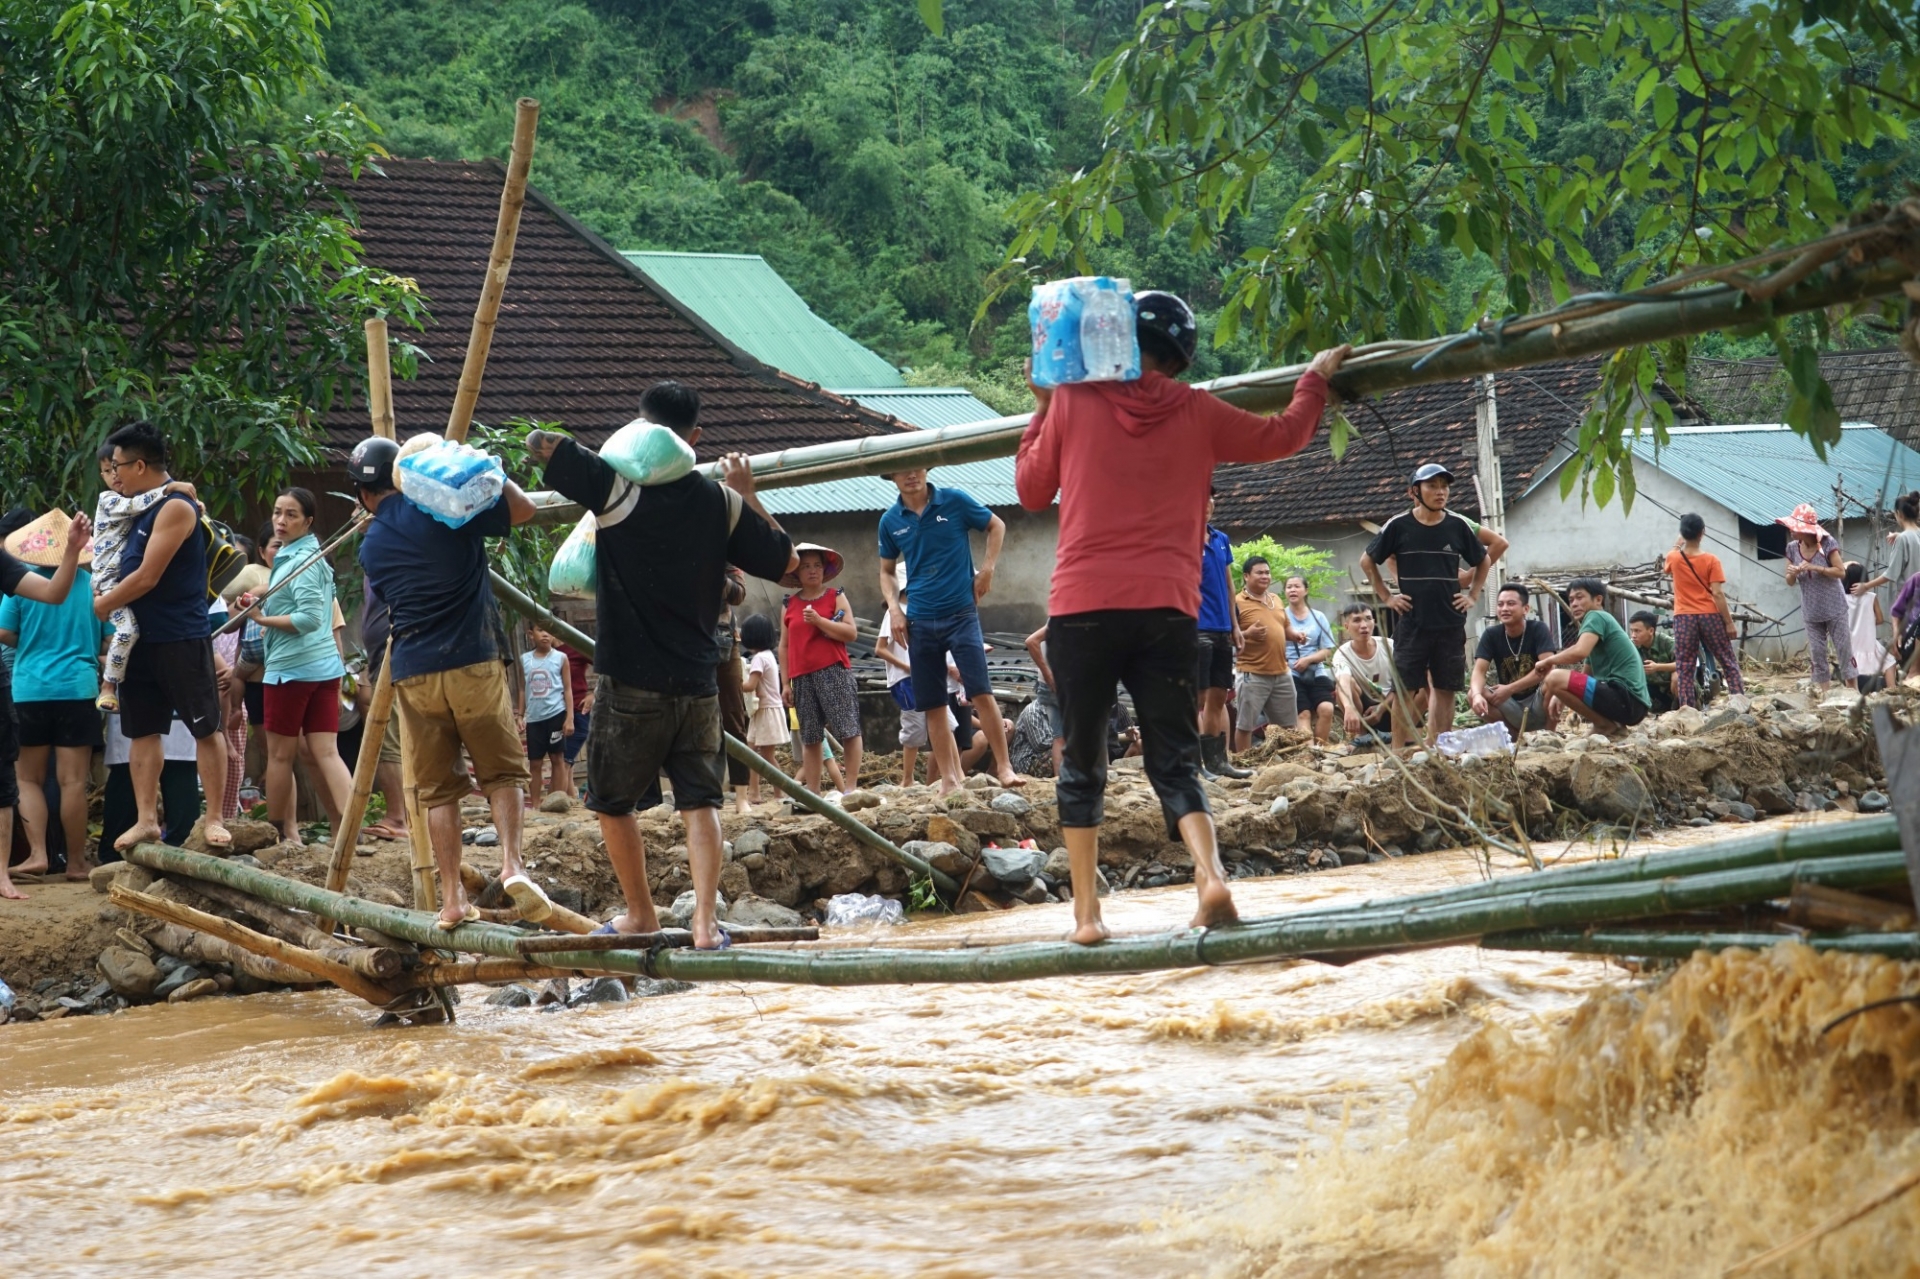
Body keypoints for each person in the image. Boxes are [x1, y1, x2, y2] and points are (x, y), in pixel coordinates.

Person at [1016, 283, 1350, 943]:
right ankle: (1210, 878)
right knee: (1174, 758)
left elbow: (1030, 490)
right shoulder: (1198, 411)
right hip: (1168, 612)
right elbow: (1285, 433)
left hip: (1082, 609)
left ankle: (1086, 917)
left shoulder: (1075, 399)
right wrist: (1314, 378)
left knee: (1083, 760)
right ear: (1182, 355)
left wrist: (1041, 406)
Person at [530, 381, 795, 949]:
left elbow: (542, 444)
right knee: (700, 802)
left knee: (610, 801)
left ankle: (641, 914)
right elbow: (785, 560)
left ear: (637, 429)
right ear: (696, 439)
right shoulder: (721, 500)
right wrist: (748, 492)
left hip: (630, 679)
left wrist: (612, 453)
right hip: (699, 679)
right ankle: (704, 923)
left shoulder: (616, 489)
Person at [351, 434, 551, 931]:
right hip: (472, 663)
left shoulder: (371, 545)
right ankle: (511, 865)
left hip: (414, 673)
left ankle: (451, 899)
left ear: (362, 495)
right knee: (502, 773)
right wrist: (479, 469)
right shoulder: (450, 509)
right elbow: (523, 511)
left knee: (439, 790)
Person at [90, 423, 231, 852]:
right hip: (139, 638)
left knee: (205, 727)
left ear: (138, 465)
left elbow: (148, 576)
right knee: (142, 731)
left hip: (180, 634)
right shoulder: (135, 505)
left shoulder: (175, 508)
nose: (114, 477)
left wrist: (102, 604)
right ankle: (147, 820)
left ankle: (214, 818)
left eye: (118, 467)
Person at [876, 467, 1021, 792]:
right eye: (902, 471)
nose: (910, 476)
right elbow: (886, 571)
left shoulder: (954, 501)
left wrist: (987, 570)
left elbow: (996, 525)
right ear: (892, 478)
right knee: (933, 704)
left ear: (926, 470)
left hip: (960, 613)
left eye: (916, 468)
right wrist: (896, 610)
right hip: (921, 619)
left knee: (981, 691)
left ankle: (1005, 767)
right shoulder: (890, 521)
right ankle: (950, 780)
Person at [239, 487, 355, 852]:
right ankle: (351, 829)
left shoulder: (300, 561)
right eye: (277, 513)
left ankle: (280, 834)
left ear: (308, 521)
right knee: (326, 753)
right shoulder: (305, 556)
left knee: (279, 755)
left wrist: (262, 618)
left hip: (292, 671)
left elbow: (306, 618)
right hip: (323, 670)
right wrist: (262, 596)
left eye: (291, 515)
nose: (281, 521)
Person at [0, 511, 108, 883]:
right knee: (73, 781)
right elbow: (107, 638)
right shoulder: (92, 585)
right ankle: (77, 862)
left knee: (28, 778)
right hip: (78, 687)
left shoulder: (21, 585)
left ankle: (39, 855)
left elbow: (4, 632)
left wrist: (29, 642)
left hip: (30, 688)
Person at [1360, 463, 1488, 751]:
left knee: (1445, 688)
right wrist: (1386, 597)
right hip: (1412, 622)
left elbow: (1484, 560)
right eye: (1432, 486)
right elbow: (1367, 561)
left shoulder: (1458, 525)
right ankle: (1396, 752)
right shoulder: (1398, 525)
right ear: (1414, 491)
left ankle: (1442, 748)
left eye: (1444, 486)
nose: (1440, 492)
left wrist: (1474, 595)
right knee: (1404, 689)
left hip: (1450, 622)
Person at [88, 441, 177, 713]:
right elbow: (139, 504)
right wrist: (172, 488)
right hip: (108, 582)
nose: (114, 475)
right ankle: (108, 686)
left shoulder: (134, 503)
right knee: (127, 630)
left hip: (118, 581)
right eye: (107, 470)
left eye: (117, 468)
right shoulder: (111, 500)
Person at [780, 543, 863, 797]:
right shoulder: (789, 604)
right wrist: (785, 683)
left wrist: (820, 621)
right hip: (802, 677)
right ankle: (813, 791)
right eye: (805, 566)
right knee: (811, 736)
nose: (812, 571)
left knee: (848, 729)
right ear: (797, 572)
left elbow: (851, 632)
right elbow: (784, 646)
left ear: (824, 569)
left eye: (817, 565)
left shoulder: (834, 596)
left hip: (833, 671)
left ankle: (850, 787)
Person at [1536, 579, 1653, 736]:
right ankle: (1610, 726)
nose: (1574, 604)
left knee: (1554, 677)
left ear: (1598, 600)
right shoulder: (1597, 631)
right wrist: (1560, 696)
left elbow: (1579, 651)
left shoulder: (1596, 616)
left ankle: (1604, 725)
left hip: (1626, 698)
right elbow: (1584, 675)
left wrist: (1549, 661)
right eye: (1571, 600)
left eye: (1580, 597)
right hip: (1633, 706)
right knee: (1557, 681)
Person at [1662, 512, 1745, 708]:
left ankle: (1688, 710)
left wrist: (1677, 543)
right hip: (1709, 615)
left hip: (1684, 618)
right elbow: (1717, 593)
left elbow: (1667, 564)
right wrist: (1729, 622)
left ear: (1682, 534)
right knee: (1727, 660)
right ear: (1703, 533)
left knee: (1685, 666)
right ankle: (1740, 704)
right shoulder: (1712, 560)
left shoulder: (1673, 557)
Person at [352, 579, 411, 843]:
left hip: (397, 660)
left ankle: (398, 817)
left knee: (390, 741)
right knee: (394, 738)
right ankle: (403, 815)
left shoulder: (390, 546)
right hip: (383, 660)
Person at [1194, 490, 1247, 777]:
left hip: (1222, 630)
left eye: (1211, 500)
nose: (1206, 504)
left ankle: (1216, 762)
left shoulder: (1221, 539)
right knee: (1196, 698)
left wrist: (1235, 626)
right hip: (1195, 629)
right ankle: (1192, 765)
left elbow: (1229, 587)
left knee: (1218, 696)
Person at [1778, 502, 1856, 695]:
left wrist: (1815, 568)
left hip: (1834, 605)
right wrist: (1793, 572)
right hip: (1811, 609)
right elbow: (1788, 581)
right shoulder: (1792, 548)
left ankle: (1852, 691)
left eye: (1795, 528)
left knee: (1843, 648)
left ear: (1805, 530)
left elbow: (1841, 572)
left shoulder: (1828, 544)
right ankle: (1825, 693)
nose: (1791, 531)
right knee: (1818, 652)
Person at [1230, 556, 1305, 753]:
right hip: (1252, 673)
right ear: (1246, 576)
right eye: (1260, 573)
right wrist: (1248, 634)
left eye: (1267, 572)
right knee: (1245, 725)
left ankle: (1291, 762)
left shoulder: (1276, 599)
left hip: (1282, 672)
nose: (1265, 576)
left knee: (1289, 726)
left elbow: (1285, 628)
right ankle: (1242, 762)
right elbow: (1227, 637)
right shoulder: (1236, 602)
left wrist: (1296, 636)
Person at [1469, 584, 1557, 738]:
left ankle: (1549, 736)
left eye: (1511, 604)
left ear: (1526, 608)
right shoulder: (1491, 635)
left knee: (1554, 680)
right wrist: (1477, 695)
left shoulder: (1538, 629)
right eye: (1500, 604)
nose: (1504, 609)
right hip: (1510, 706)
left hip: (1538, 701)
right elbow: (1479, 671)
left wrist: (1509, 689)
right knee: (1473, 693)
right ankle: (1514, 736)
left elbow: (1548, 668)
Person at [518, 625, 574, 808]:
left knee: (558, 758)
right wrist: (520, 715)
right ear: (530, 634)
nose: (545, 634)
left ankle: (556, 801)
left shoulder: (560, 658)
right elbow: (521, 688)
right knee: (535, 762)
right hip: (534, 718)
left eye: (549, 631)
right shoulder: (525, 660)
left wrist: (569, 717)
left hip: (555, 714)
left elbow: (567, 689)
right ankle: (535, 805)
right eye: (540, 630)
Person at [1332, 602, 1400, 745]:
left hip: (1393, 705)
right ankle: (1361, 735)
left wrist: (1382, 708)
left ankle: (1405, 736)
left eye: (1368, 618)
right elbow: (1343, 680)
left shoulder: (1390, 646)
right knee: (1343, 687)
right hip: (1364, 712)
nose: (1364, 625)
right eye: (1357, 620)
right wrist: (1349, 707)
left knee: (1421, 679)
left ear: (1374, 622)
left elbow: (1404, 682)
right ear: (1346, 626)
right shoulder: (1342, 653)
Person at [1283, 574, 1338, 744]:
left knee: (1327, 708)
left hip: (1315, 671)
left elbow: (1327, 650)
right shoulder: (1280, 615)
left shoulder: (1318, 616)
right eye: (1289, 587)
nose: (1292, 590)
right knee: (1303, 713)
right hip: (1289, 672)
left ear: (1306, 591)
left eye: (1297, 586)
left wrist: (1309, 660)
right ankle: (1309, 754)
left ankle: (1321, 750)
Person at [740, 613, 787, 803]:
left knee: (766, 756)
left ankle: (778, 792)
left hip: (766, 711)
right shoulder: (768, 656)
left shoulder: (759, 659)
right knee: (752, 753)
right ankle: (754, 792)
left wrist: (733, 680)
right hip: (764, 711)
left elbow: (750, 685)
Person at [1853, 489, 1920, 604]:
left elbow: (1891, 574)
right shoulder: (1912, 535)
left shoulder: (1902, 539)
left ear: (1899, 514)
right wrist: (1899, 535)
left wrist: (1866, 586)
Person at [1843, 561, 1897, 693]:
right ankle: (1892, 690)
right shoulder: (1871, 597)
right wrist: (1867, 622)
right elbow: (1880, 619)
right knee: (1889, 662)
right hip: (1869, 643)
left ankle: (1850, 694)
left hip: (1851, 644)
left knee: (1848, 667)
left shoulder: (1841, 599)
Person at [1023, 622, 1067, 779]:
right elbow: (1031, 641)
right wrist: (1049, 674)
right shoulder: (1065, 618)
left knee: (1059, 737)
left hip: (1049, 685)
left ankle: (1059, 780)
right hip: (1061, 685)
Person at [1627, 611, 1678, 714]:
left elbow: (1684, 664)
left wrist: (1657, 667)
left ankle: (1685, 708)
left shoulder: (1667, 642)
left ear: (1651, 631)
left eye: (1637, 631)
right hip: (1653, 691)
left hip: (1672, 689)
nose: (1633, 635)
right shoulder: (1631, 646)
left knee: (1677, 678)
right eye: (1631, 631)